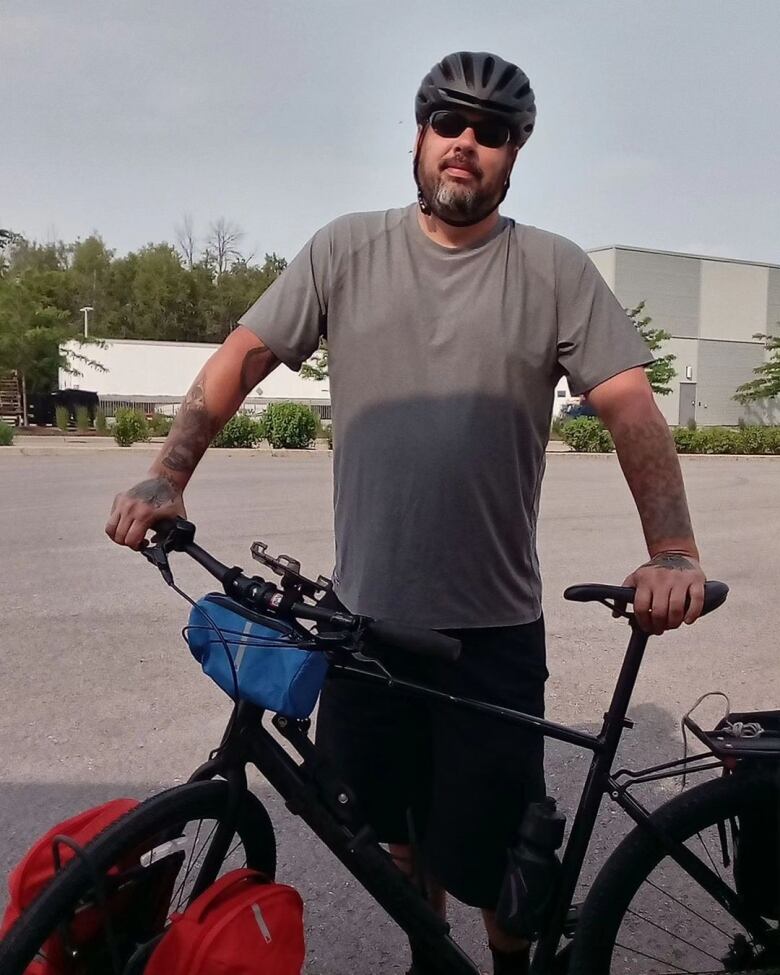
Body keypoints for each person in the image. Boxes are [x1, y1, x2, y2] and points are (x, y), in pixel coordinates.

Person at [107, 51, 707, 975]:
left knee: (500, 866)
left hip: (491, 633)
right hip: (364, 624)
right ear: (420, 135)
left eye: (492, 132)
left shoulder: (552, 268)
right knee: (395, 839)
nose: (466, 144)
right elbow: (242, 356)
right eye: (448, 123)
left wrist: (671, 547)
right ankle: (429, 962)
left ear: (515, 154)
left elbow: (631, 408)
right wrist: (166, 473)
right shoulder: (345, 250)